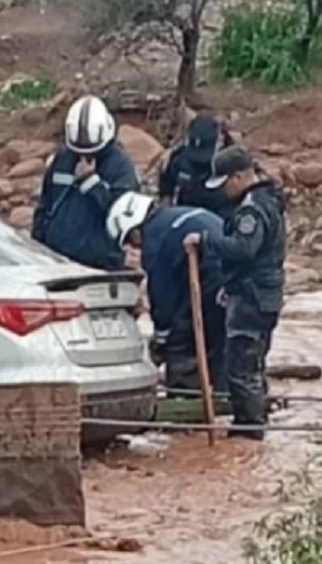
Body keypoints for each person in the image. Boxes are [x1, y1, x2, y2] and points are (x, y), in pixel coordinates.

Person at [184, 146, 287, 441]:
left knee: (241, 367)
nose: (224, 191)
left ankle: (249, 430)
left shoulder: (251, 209)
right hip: (264, 293)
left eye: (226, 183)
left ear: (240, 176)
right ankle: (255, 419)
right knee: (255, 364)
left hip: (252, 298)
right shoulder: (271, 200)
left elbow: (244, 249)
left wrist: (206, 240)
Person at [105, 192, 227, 395]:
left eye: (131, 241)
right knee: (224, 343)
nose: (136, 247)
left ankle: (187, 396)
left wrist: (162, 338)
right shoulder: (177, 216)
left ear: (135, 228)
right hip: (237, 279)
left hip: (211, 279)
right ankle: (230, 396)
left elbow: (163, 295)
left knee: (181, 342)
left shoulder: (156, 237)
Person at [32, 95, 140, 271]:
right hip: (55, 261)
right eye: (78, 151)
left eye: (92, 152)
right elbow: (45, 205)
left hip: (99, 266)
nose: (84, 157)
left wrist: (92, 185)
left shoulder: (120, 167)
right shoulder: (62, 160)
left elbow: (125, 216)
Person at [158, 115, 236, 219]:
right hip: (182, 215)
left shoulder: (230, 165)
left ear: (219, 141)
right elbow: (166, 186)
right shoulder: (178, 159)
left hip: (215, 218)